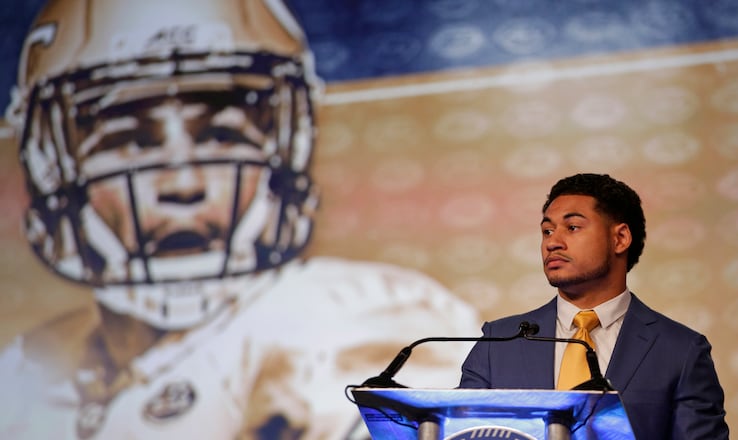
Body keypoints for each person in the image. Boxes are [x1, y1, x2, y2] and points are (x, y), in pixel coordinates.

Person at [0, 0, 479, 439]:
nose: (183, 184)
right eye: (130, 141)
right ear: (51, 164)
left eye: (221, 136)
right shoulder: (27, 369)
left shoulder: (344, 320)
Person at [459, 173, 728, 439]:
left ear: (620, 238)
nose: (552, 242)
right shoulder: (498, 343)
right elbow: (460, 431)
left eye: (572, 228)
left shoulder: (680, 351)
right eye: (547, 231)